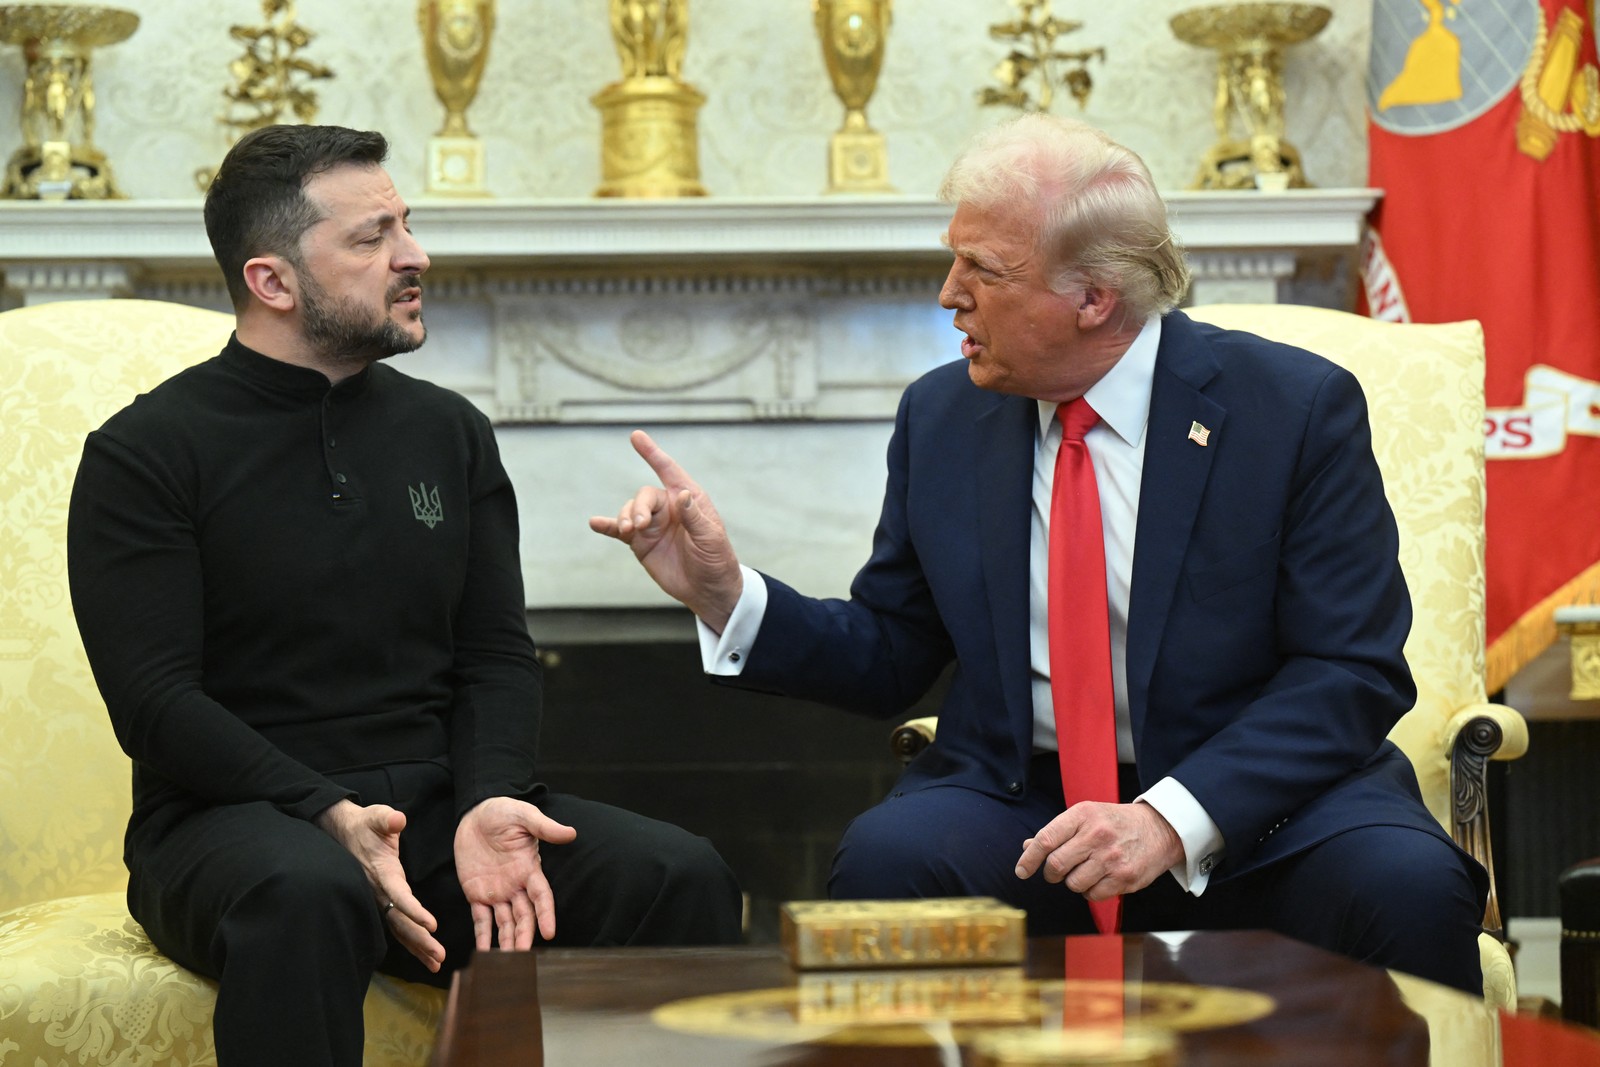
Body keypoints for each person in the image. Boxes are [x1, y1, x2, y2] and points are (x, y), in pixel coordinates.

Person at [590, 114, 1488, 994]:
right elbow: (893, 647)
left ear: (1093, 298)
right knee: (889, 858)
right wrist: (724, 595)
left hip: (1265, 801)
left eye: (981, 268)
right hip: (1027, 798)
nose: (948, 293)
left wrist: (1170, 819)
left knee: (1404, 884)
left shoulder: (1292, 410)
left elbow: (1349, 670)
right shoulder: (944, 417)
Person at [67, 124, 742, 1067]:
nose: (414, 255)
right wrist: (324, 810)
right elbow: (156, 701)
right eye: (372, 236)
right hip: (236, 824)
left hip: (436, 815)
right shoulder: (144, 454)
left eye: (406, 226)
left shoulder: (449, 433)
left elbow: (495, 653)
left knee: (677, 872)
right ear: (272, 281)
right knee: (309, 890)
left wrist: (491, 798)